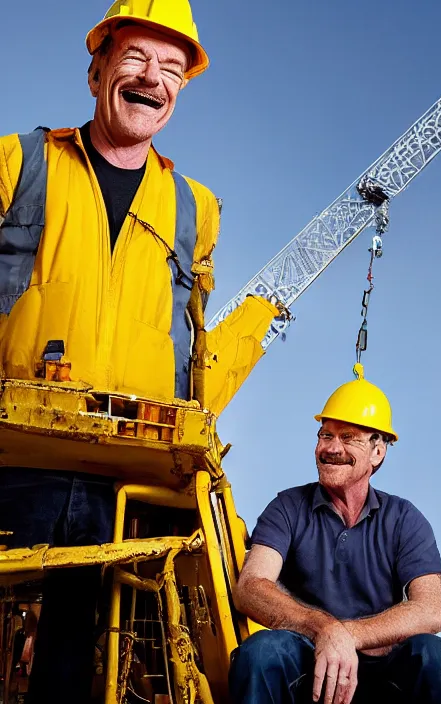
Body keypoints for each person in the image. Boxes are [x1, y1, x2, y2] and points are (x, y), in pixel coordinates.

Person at [0, 1, 278, 701]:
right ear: (97, 70)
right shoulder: (18, 162)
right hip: (14, 450)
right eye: (135, 59)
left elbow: (191, 341)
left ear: (180, 90)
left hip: (123, 476)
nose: (153, 78)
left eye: (172, 69)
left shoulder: (195, 207)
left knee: (81, 654)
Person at [230, 364, 441, 704]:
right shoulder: (286, 507)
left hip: (382, 671)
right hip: (308, 664)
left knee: (438, 657)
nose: (332, 448)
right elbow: (251, 587)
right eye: (326, 435)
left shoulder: (405, 519)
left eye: (349, 438)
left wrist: (347, 635)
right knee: (262, 652)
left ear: (378, 452)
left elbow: (431, 610)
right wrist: (323, 630)